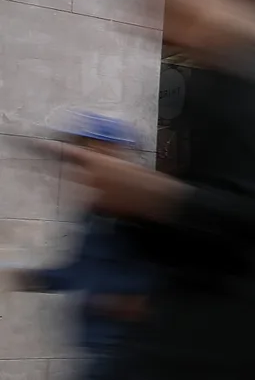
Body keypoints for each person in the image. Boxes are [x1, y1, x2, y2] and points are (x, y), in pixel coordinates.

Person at [56, 0, 255, 380]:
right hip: (177, 335)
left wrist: (150, 195)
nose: (162, 26)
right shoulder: (213, 86)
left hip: (211, 343)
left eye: (170, 8)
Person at [4, 113, 151, 380]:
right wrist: (21, 276)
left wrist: (129, 303)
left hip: (134, 355)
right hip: (101, 353)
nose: (81, 171)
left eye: (90, 155)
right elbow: (80, 271)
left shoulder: (144, 212)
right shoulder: (97, 213)